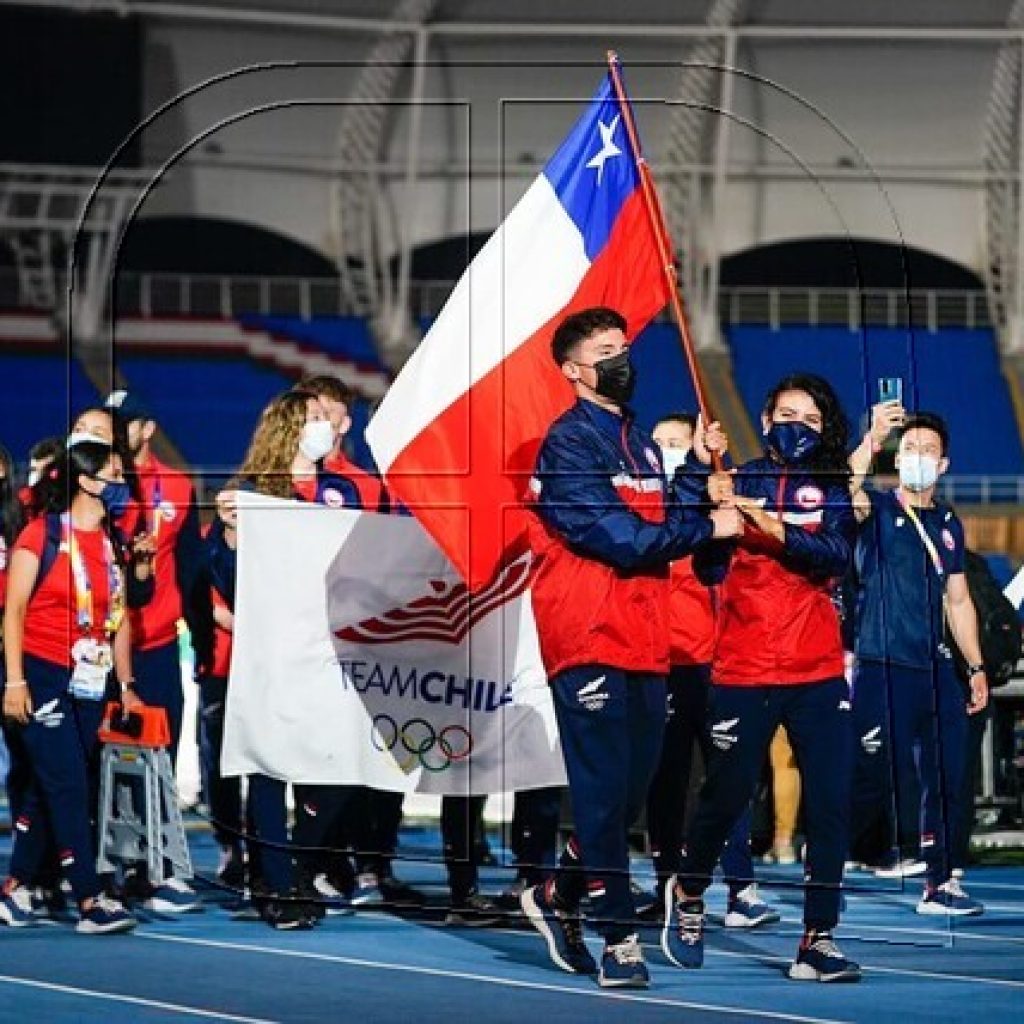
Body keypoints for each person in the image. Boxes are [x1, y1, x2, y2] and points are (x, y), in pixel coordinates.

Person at [519, 307, 741, 989]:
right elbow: (618, 539)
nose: (622, 358)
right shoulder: (567, 444)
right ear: (573, 370)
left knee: (630, 794)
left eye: (623, 346)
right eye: (605, 350)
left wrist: (695, 476)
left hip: (647, 640)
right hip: (587, 635)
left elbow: (664, 523)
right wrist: (705, 530)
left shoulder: (639, 443)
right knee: (601, 792)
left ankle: (556, 892)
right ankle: (618, 938)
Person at [665, 373, 861, 984]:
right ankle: (689, 892)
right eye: (787, 415)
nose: (797, 427)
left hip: (817, 668)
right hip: (744, 665)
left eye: (811, 418)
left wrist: (768, 524)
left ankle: (818, 937)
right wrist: (708, 497)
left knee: (830, 803)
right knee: (726, 796)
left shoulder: (834, 487)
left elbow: (834, 556)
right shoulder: (737, 479)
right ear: (766, 419)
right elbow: (703, 561)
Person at [849, 411, 988, 915]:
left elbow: (958, 600)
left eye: (929, 450)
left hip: (934, 668)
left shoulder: (948, 523)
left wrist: (975, 668)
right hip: (879, 663)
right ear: (897, 458)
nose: (919, 458)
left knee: (947, 774)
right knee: (872, 772)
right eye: (910, 449)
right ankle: (843, 852)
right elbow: (844, 489)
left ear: (944, 463)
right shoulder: (876, 508)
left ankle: (939, 881)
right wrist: (871, 440)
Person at [644, 412, 779, 929]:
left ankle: (741, 889)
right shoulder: (646, 514)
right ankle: (666, 885)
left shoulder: (719, 512)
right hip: (661, 664)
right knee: (666, 782)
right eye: (659, 442)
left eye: (677, 442)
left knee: (728, 778)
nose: (666, 450)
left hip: (717, 664)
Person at [0, 438, 137, 933]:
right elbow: (13, 611)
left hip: (90, 677)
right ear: (85, 480)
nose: (122, 485)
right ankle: (88, 896)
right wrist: (15, 681)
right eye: (115, 476)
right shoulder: (42, 534)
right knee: (69, 783)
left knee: (51, 781)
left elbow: (119, 616)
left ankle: (16, 887)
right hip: (42, 671)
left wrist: (126, 683)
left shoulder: (112, 542)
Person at [103, 391, 205, 913]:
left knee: (158, 761)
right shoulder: (96, 482)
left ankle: (158, 869)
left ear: (146, 429)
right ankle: (100, 872)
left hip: (158, 643)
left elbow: (191, 569)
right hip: (98, 648)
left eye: (125, 423)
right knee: (99, 762)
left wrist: (202, 641)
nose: (116, 431)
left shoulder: (178, 487)